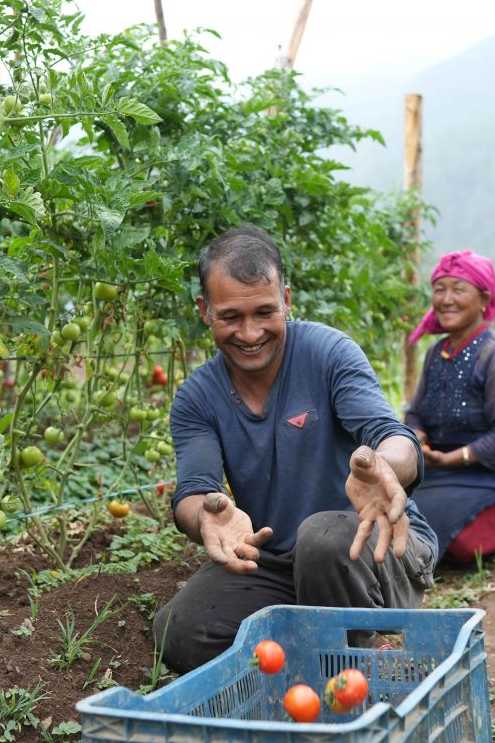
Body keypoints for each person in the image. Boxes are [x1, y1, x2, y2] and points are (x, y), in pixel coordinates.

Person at [152, 225, 439, 674]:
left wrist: (384, 466)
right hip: (281, 560)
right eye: (230, 317)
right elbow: (194, 489)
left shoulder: (328, 354)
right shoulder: (197, 397)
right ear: (204, 310)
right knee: (181, 631)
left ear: (286, 298)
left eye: (264, 312)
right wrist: (207, 516)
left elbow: (391, 435)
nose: (249, 333)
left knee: (322, 539)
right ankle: (304, 656)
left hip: (373, 551)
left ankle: (352, 663)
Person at [404, 250, 495, 565]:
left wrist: (449, 459)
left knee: (425, 515)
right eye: (440, 289)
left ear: (484, 299)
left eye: (458, 290)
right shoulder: (436, 353)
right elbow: (415, 412)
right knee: (389, 497)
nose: (446, 299)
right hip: (442, 470)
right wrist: (418, 438)